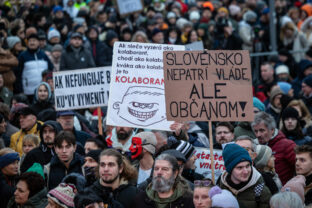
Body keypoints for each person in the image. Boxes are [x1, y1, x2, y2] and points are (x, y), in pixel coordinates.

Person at [218, 143, 271, 208]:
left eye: (248, 166)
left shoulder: (261, 191)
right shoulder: (220, 187)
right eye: (240, 168)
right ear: (230, 169)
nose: (245, 171)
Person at [251, 111, 296, 185]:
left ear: (272, 130)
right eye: (256, 131)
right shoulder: (254, 146)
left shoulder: (287, 145)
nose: (258, 134)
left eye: (262, 130)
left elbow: (302, 167)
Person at [15, 33, 53, 98]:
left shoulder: (44, 55)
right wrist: (20, 90)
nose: (32, 43)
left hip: (44, 91)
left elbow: (51, 70)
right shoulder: (22, 56)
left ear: (38, 42)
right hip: (28, 91)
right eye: (30, 41)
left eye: (34, 41)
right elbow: (18, 74)